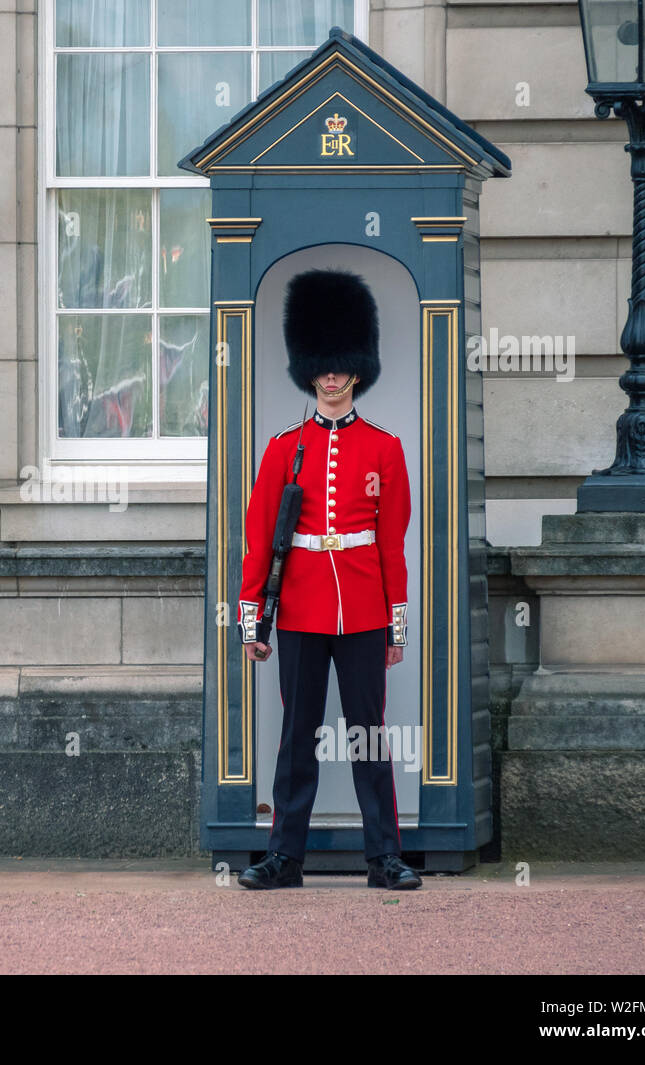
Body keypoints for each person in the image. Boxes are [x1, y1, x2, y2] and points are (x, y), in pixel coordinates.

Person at [236, 268, 421, 891]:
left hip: (365, 610)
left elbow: (392, 543)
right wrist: (252, 620)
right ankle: (285, 858)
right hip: (300, 611)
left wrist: (397, 621)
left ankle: (384, 857)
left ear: (356, 369)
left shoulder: (384, 448)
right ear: (310, 369)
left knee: (369, 736)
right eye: (324, 367)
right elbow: (259, 542)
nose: (333, 377)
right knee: (297, 737)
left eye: (341, 367)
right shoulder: (283, 448)